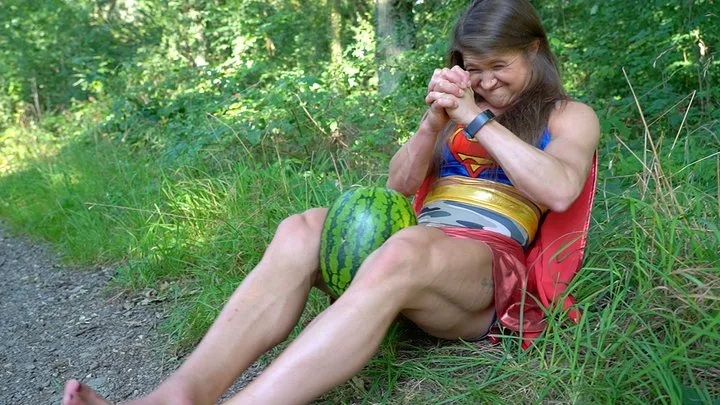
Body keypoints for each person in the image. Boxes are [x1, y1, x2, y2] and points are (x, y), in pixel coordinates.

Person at [62, 0, 599, 404]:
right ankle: (177, 396)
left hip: (484, 275)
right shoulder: (461, 109)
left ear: (534, 49)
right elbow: (398, 188)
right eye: (472, 68)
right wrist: (431, 123)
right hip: (414, 250)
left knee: (407, 247)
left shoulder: (567, 115)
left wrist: (475, 120)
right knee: (302, 228)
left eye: (497, 66)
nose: (484, 81)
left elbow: (558, 189)